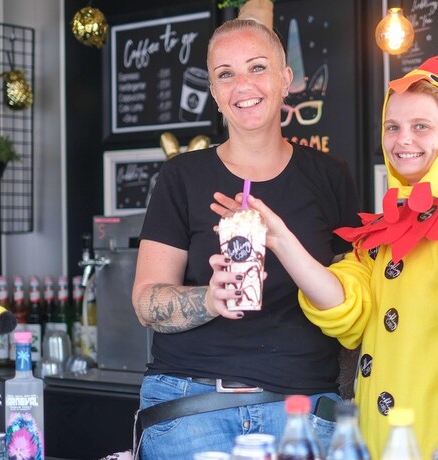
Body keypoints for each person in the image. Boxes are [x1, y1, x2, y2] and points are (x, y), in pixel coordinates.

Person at [212, 54, 438, 459]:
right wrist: (280, 240)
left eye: (421, 127)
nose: (403, 140)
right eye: (392, 127)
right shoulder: (383, 235)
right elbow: (346, 310)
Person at [131, 17, 361, 458]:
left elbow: (351, 308)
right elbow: (145, 302)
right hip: (190, 404)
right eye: (225, 74)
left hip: (303, 407)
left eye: (257, 67)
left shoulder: (329, 177)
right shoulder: (182, 177)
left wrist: (347, 407)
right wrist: (210, 299)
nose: (243, 85)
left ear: (285, 79)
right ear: (215, 94)